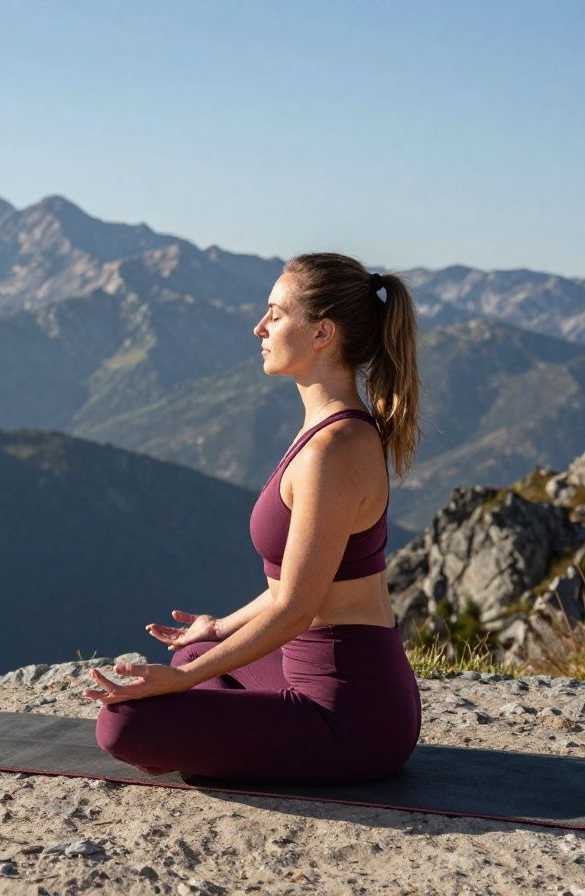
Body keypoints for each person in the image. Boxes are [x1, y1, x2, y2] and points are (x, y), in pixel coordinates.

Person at [83, 252, 424, 785]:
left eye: (276, 314)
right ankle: (221, 734)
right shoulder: (328, 430)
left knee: (121, 726)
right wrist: (216, 628)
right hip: (321, 670)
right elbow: (300, 580)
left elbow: (294, 607)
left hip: (350, 711)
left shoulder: (333, 450)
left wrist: (184, 683)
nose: (259, 327)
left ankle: (223, 737)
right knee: (197, 647)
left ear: (322, 334)